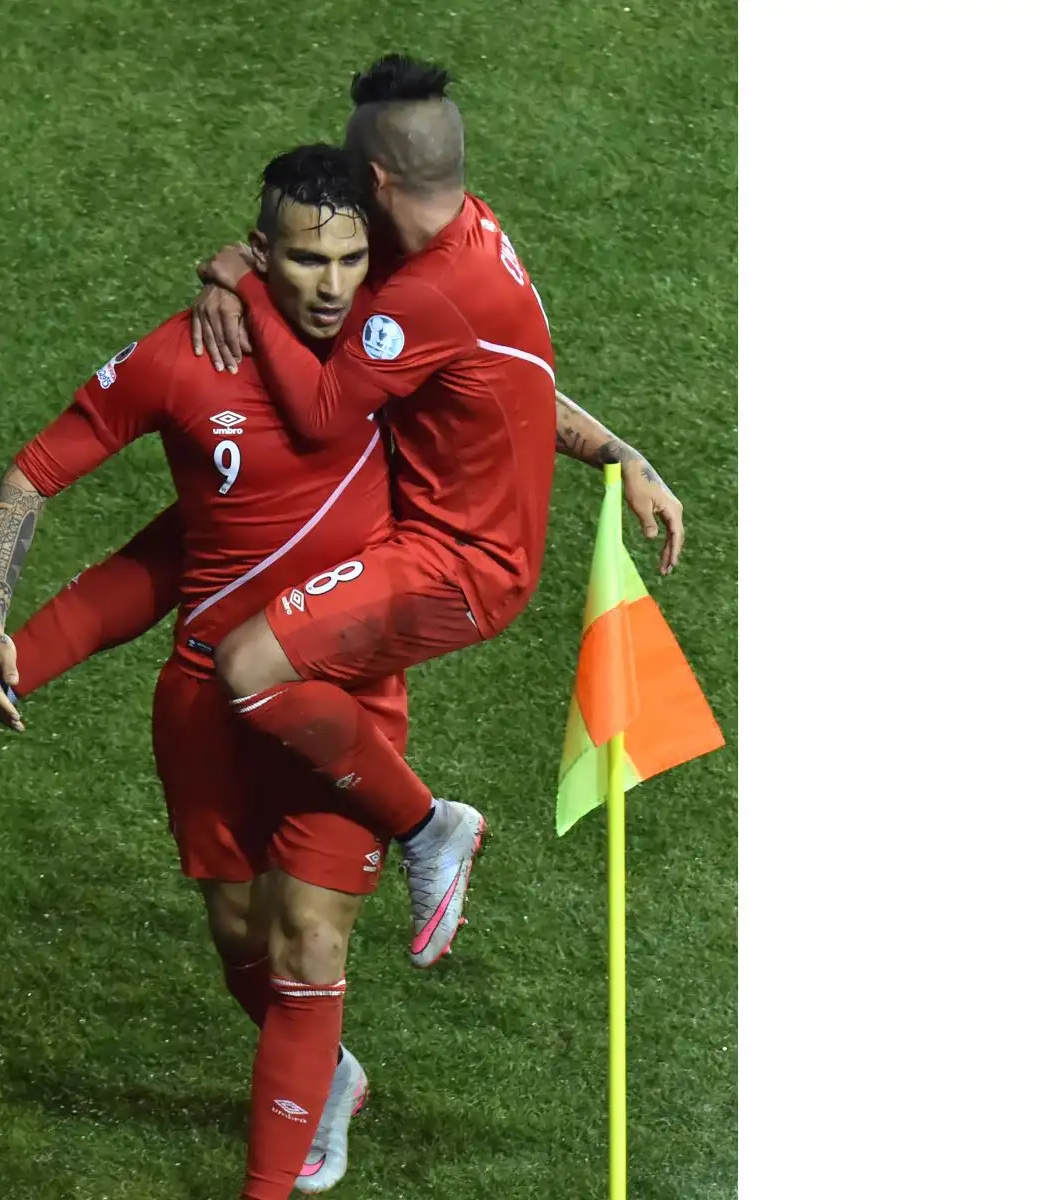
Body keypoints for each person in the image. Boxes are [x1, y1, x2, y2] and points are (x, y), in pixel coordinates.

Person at [0, 144, 405, 1198]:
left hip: (342, 696)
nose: (332, 286)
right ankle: (327, 1076)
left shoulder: (392, 339)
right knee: (239, 936)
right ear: (261, 255)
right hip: (208, 692)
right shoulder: (185, 354)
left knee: (308, 939)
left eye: (349, 259)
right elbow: (32, 474)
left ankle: (275, 1160)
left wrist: (622, 455)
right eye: (304, 261)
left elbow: (512, 388)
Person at [183, 54, 686, 968]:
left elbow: (324, 408)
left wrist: (247, 286)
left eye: (347, 177)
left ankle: (428, 826)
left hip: (458, 569)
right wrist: (621, 451)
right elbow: (517, 383)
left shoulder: (428, 294)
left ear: (377, 181)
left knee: (248, 667)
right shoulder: (471, 237)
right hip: (426, 541)